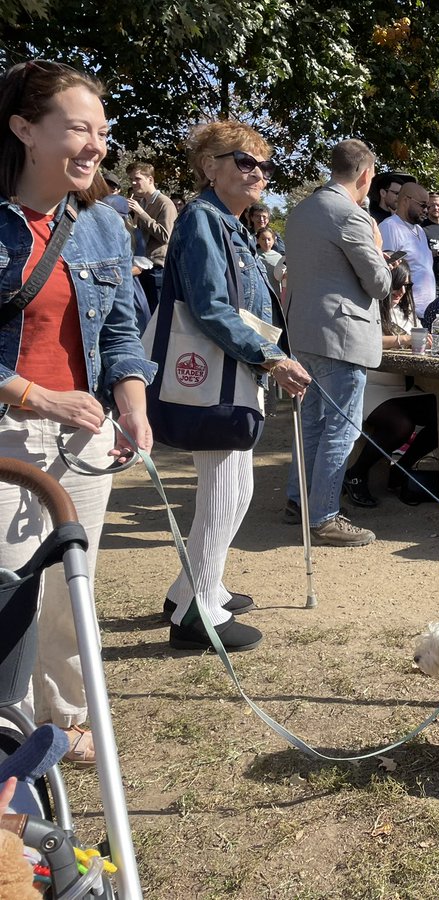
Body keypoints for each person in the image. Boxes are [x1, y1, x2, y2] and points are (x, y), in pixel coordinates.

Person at [0, 60, 156, 759]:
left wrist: (133, 404)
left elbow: (121, 333)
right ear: (25, 129)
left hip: (83, 439)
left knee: (70, 590)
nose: (96, 145)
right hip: (9, 433)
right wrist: (37, 397)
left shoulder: (102, 227)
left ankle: (65, 718)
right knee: (10, 595)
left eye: (102, 131)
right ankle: (8, 734)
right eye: (78, 129)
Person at [155, 120, 312, 653]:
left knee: (234, 487)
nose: (258, 172)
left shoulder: (229, 223)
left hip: (233, 367)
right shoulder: (204, 219)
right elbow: (210, 307)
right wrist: (271, 357)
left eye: (264, 165)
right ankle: (196, 613)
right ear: (210, 166)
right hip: (217, 370)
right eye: (245, 162)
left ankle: (192, 590)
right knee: (226, 489)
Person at [284, 139, 391, 546]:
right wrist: (378, 249)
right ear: (365, 175)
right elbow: (379, 284)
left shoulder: (301, 211)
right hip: (342, 336)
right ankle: (324, 515)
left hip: (304, 332)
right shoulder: (351, 216)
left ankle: (299, 501)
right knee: (342, 428)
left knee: (312, 422)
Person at [341, 261, 437, 506]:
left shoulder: (407, 311)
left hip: (403, 387)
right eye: (396, 286)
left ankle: (401, 469)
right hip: (372, 386)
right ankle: (355, 474)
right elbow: (366, 340)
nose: (401, 292)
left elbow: (417, 339)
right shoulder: (368, 306)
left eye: (406, 286)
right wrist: (403, 340)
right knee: (400, 425)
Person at [125, 161, 176, 311]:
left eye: (137, 179)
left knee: (157, 315)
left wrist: (141, 213)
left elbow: (166, 236)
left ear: (150, 179)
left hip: (157, 269)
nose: (133, 183)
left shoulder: (165, 204)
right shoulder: (142, 202)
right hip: (142, 266)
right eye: (131, 179)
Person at [380, 180, 436, 317]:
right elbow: (388, 272)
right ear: (406, 200)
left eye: (427, 206)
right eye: (423, 205)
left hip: (425, 313)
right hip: (403, 314)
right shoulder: (389, 227)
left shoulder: (420, 230)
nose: (426, 210)